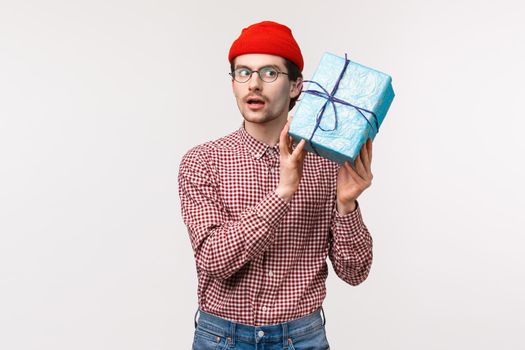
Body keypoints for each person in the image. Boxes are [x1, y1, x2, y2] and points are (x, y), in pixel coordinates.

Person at [178, 20, 374, 350]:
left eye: (269, 73)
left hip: (301, 338)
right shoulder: (203, 161)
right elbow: (214, 260)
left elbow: (355, 272)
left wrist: (346, 206)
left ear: (296, 86)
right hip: (220, 338)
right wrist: (283, 193)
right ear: (233, 84)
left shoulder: (328, 163)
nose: (254, 84)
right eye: (243, 73)